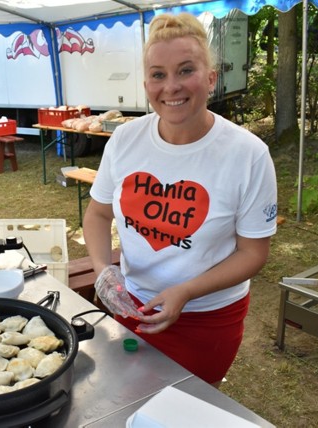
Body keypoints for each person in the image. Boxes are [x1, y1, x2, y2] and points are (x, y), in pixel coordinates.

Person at [83, 13, 278, 387]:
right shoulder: (125, 141)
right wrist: (103, 271)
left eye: (185, 70)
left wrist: (186, 292)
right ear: (146, 84)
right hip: (132, 305)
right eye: (158, 74)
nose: (170, 86)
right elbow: (96, 214)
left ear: (210, 78)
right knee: (125, 400)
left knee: (187, 411)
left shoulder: (248, 155)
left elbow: (253, 253)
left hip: (207, 318)